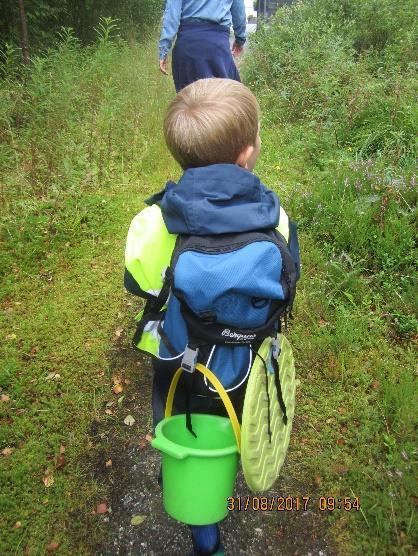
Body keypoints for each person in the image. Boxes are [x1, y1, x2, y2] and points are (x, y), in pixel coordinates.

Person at [124, 79, 299, 556]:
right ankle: (241, 464)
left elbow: (139, 284)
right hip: (246, 365)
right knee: (234, 425)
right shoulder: (276, 218)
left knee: (186, 427)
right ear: (247, 154)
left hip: (181, 361)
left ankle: (205, 534)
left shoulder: (151, 224)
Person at [158, 0, 247, 91]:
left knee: (188, 100)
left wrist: (163, 50)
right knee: (227, 98)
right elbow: (239, 11)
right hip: (217, 47)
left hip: (188, 47)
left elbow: (172, 15)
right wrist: (240, 39)